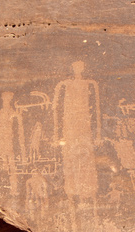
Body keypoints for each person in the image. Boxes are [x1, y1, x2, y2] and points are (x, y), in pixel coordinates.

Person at [52, 61, 102, 217]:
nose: (78, 69)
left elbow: (97, 108)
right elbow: (56, 108)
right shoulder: (64, 84)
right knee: (70, 158)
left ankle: (88, 194)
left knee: (86, 158)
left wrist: (98, 134)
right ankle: (72, 195)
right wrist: (56, 134)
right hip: (70, 126)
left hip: (84, 125)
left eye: (81, 67)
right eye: (75, 67)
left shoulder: (91, 84)